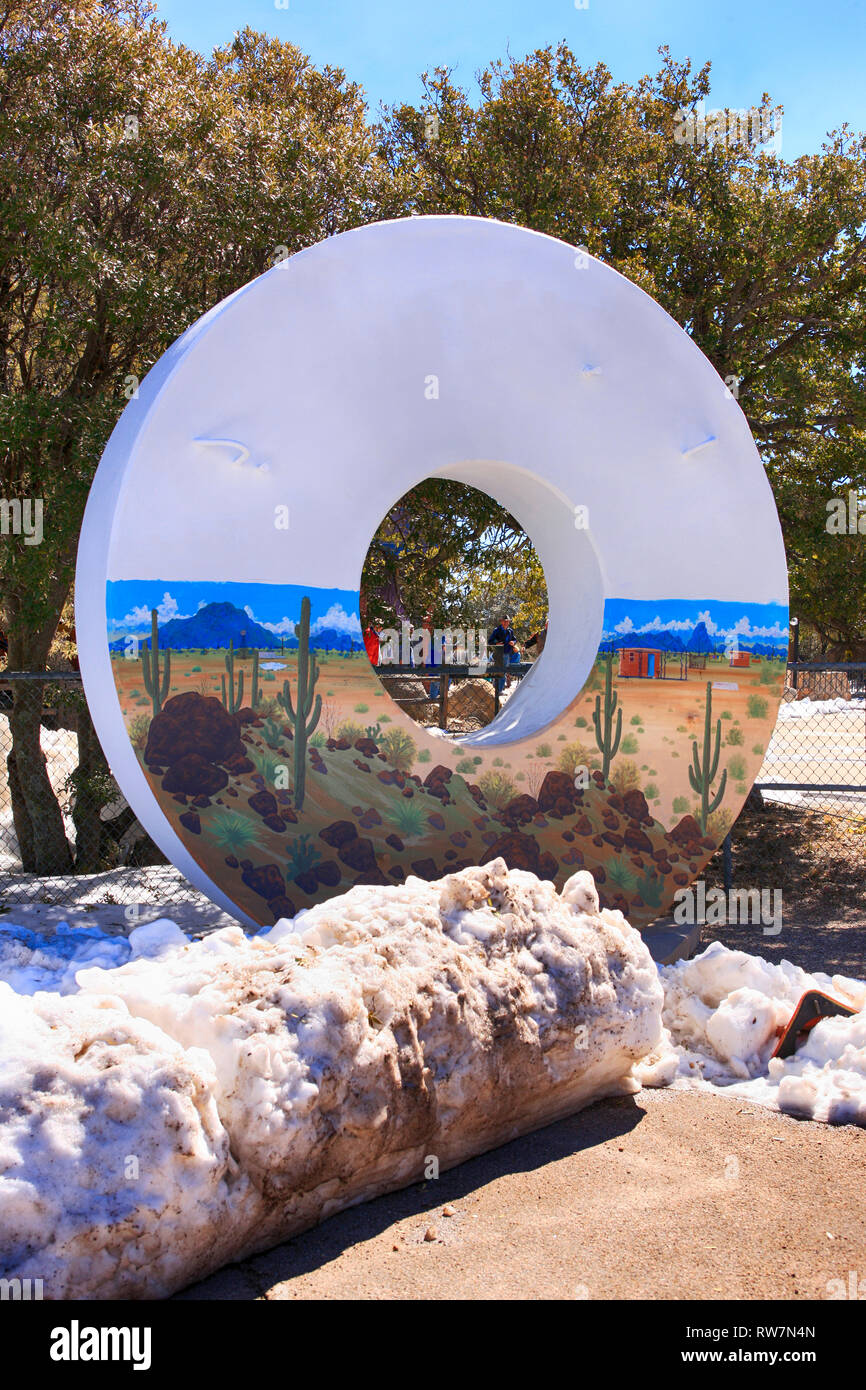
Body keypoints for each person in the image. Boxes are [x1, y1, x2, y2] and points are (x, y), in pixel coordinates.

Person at [489, 614, 521, 692]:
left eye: (508, 621)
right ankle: (496, 690)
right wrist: (496, 643)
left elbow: (514, 639)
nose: (506, 623)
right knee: (498, 672)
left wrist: (513, 642)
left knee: (503, 672)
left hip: (507, 654)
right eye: (505, 621)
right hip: (498, 654)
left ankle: (499, 690)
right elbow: (490, 641)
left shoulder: (510, 631)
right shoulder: (497, 630)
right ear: (501, 622)